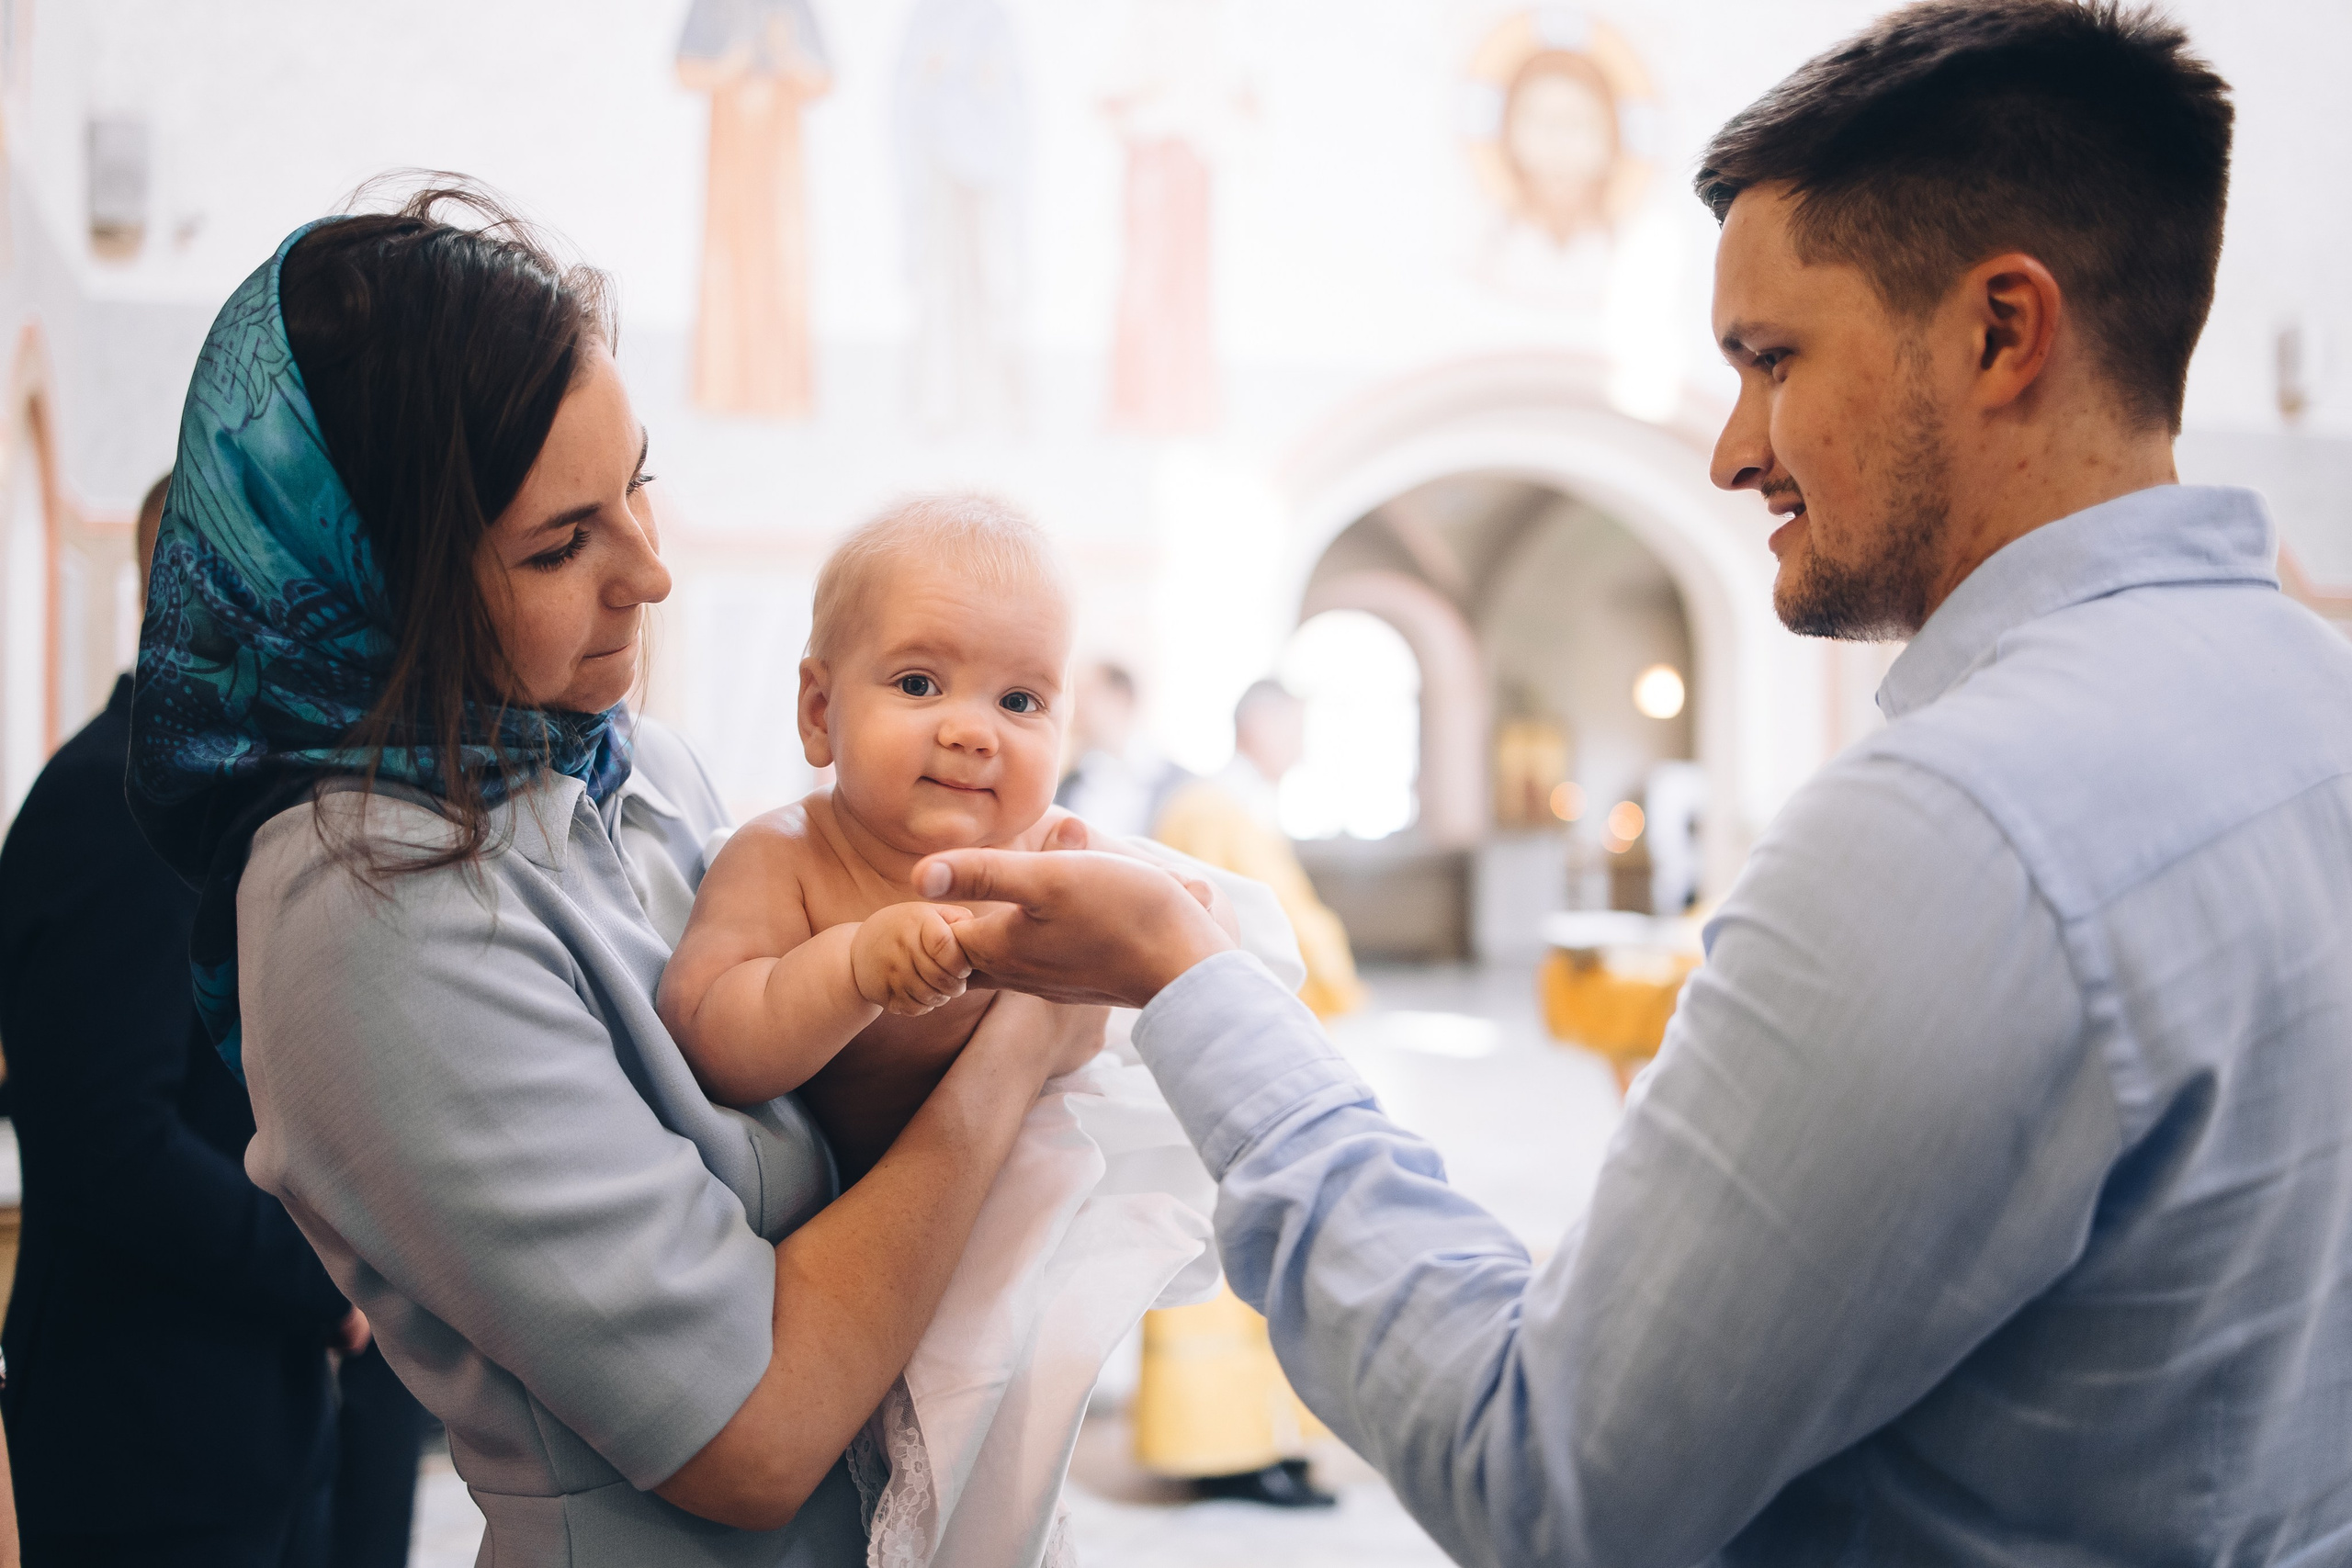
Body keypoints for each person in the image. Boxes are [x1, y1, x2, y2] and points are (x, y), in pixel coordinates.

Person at [910, 4, 2352, 1562]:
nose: (1733, 451)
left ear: (2004, 331)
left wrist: (1196, 985)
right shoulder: (2315, 698)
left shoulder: (1958, 827)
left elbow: (1551, 1479)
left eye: (1771, 359)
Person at [128, 185, 1104, 1562]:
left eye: (636, 479)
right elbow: (754, 1432)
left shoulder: (626, 769)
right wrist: (1021, 1043)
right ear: (386, 586)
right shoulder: (361, 910)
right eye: (558, 542)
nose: (649, 570)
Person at [661, 494, 1303, 1562]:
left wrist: (1195, 921)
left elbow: (1181, 929)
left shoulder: (1051, 849)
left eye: (1020, 698)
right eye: (918, 683)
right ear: (818, 710)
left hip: (1017, 1209)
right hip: (849, 1255)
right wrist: (855, 965)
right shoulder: (784, 857)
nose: (971, 728)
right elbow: (715, 1037)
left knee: (1007, 1465)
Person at [0, 473, 369, 1566]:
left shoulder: (205, 798)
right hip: (147, 1448)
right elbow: (114, 1146)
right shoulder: (108, 804)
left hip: (242, 1430)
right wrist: (324, 1281)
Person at [1152, 681, 1362, 1020]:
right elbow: (1275, 919)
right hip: (1240, 1003)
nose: (1301, 752)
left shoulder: (1219, 805)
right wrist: (1337, 981)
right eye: (1296, 734)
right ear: (1260, 726)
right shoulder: (1215, 810)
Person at [1053, 661, 1189, 841]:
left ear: (1121, 697)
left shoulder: (1182, 787)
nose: (1075, 703)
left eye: (1086, 691)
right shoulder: (1066, 784)